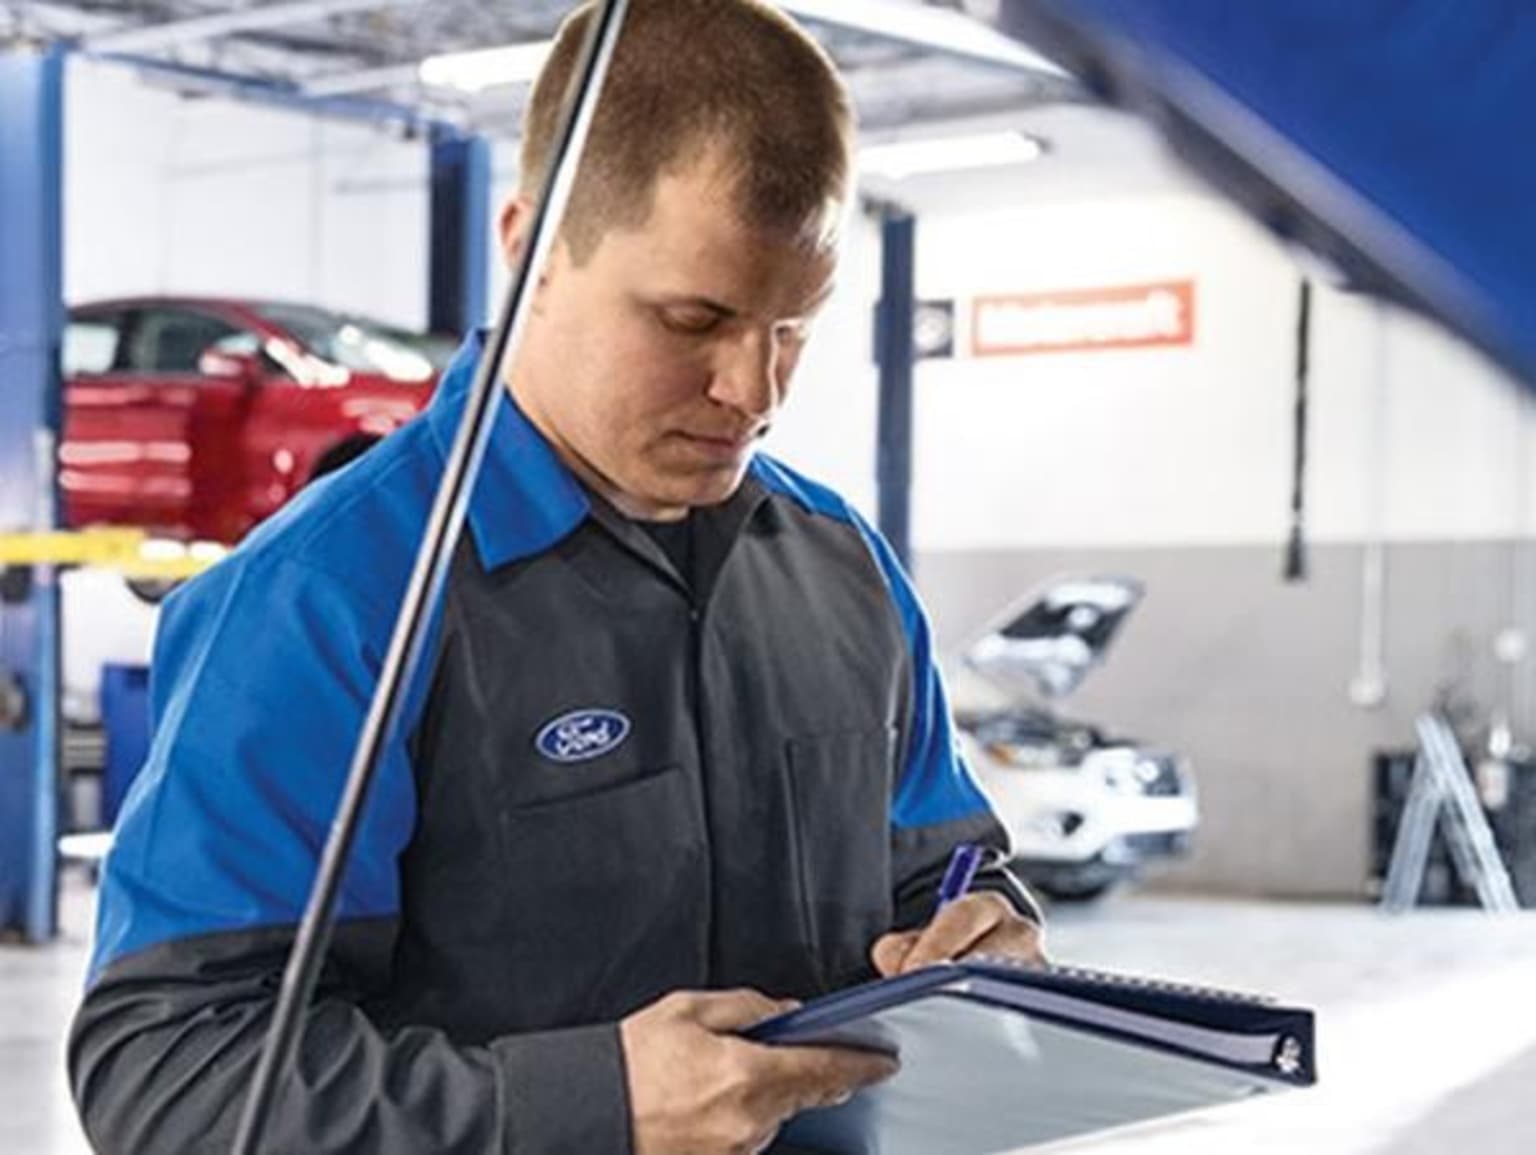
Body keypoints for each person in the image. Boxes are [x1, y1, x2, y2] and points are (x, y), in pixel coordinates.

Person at [68, 2, 1044, 1152]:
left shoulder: (844, 573)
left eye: (795, 326)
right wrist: (587, 1104)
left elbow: (944, 869)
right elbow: (171, 1075)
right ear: (530, 243)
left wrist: (986, 933)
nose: (756, 389)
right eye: (695, 318)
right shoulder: (329, 601)